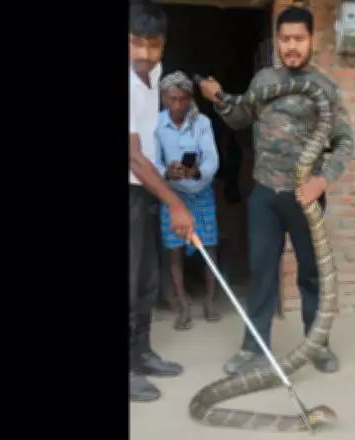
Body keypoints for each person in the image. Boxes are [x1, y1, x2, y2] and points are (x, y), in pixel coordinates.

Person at [197, 6, 355, 376]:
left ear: (312, 40)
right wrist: (219, 99)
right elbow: (241, 117)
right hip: (265, 195)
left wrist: (322, 181)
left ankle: (318, 344)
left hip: (306, 198)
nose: (291, 46)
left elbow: (345, 141)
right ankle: (254, 349)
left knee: (311, 275)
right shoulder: (264, 80)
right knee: (262, 271)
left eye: (299, 39)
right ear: (278, 41)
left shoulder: (325, 86)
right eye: (285, 39)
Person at [129, 2, 191, 403]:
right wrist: (175, 203)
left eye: (153, 46)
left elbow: (146, 150)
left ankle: (142, 353)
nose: (144, 55)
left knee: (146, 278)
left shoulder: (154, 81)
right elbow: (133, 155)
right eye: (135, 43)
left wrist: (167, 175)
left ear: (163, 45)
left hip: (143, 192)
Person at [154, 71, 222, 330]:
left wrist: (195, 171)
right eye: (171, 100)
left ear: (190, 98)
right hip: (172, 195)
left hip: (201, 191)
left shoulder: (201, 122)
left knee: (210, 248)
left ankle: (210, 301)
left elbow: (212, 159)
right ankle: (182, 306)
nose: (177, 106)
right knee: (175, 250)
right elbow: (153, 162)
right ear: (163, 98)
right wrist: (167, 172)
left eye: (183, 100)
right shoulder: (157, 124)